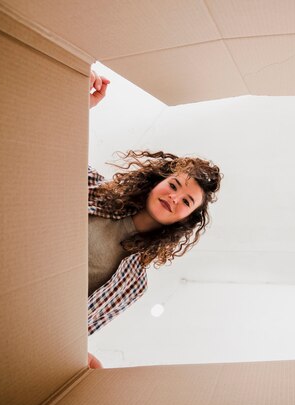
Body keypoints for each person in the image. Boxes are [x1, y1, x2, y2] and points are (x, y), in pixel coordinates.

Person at [86, 71, 222, 368]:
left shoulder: (134, 284)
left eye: (185, 201)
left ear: (186, 219)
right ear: (158, 182)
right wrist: (84, 105)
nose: (174, 198)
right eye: (174, 186)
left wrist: (80, 357)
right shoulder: (96, 189)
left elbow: (81, 330)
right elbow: (54, 152)